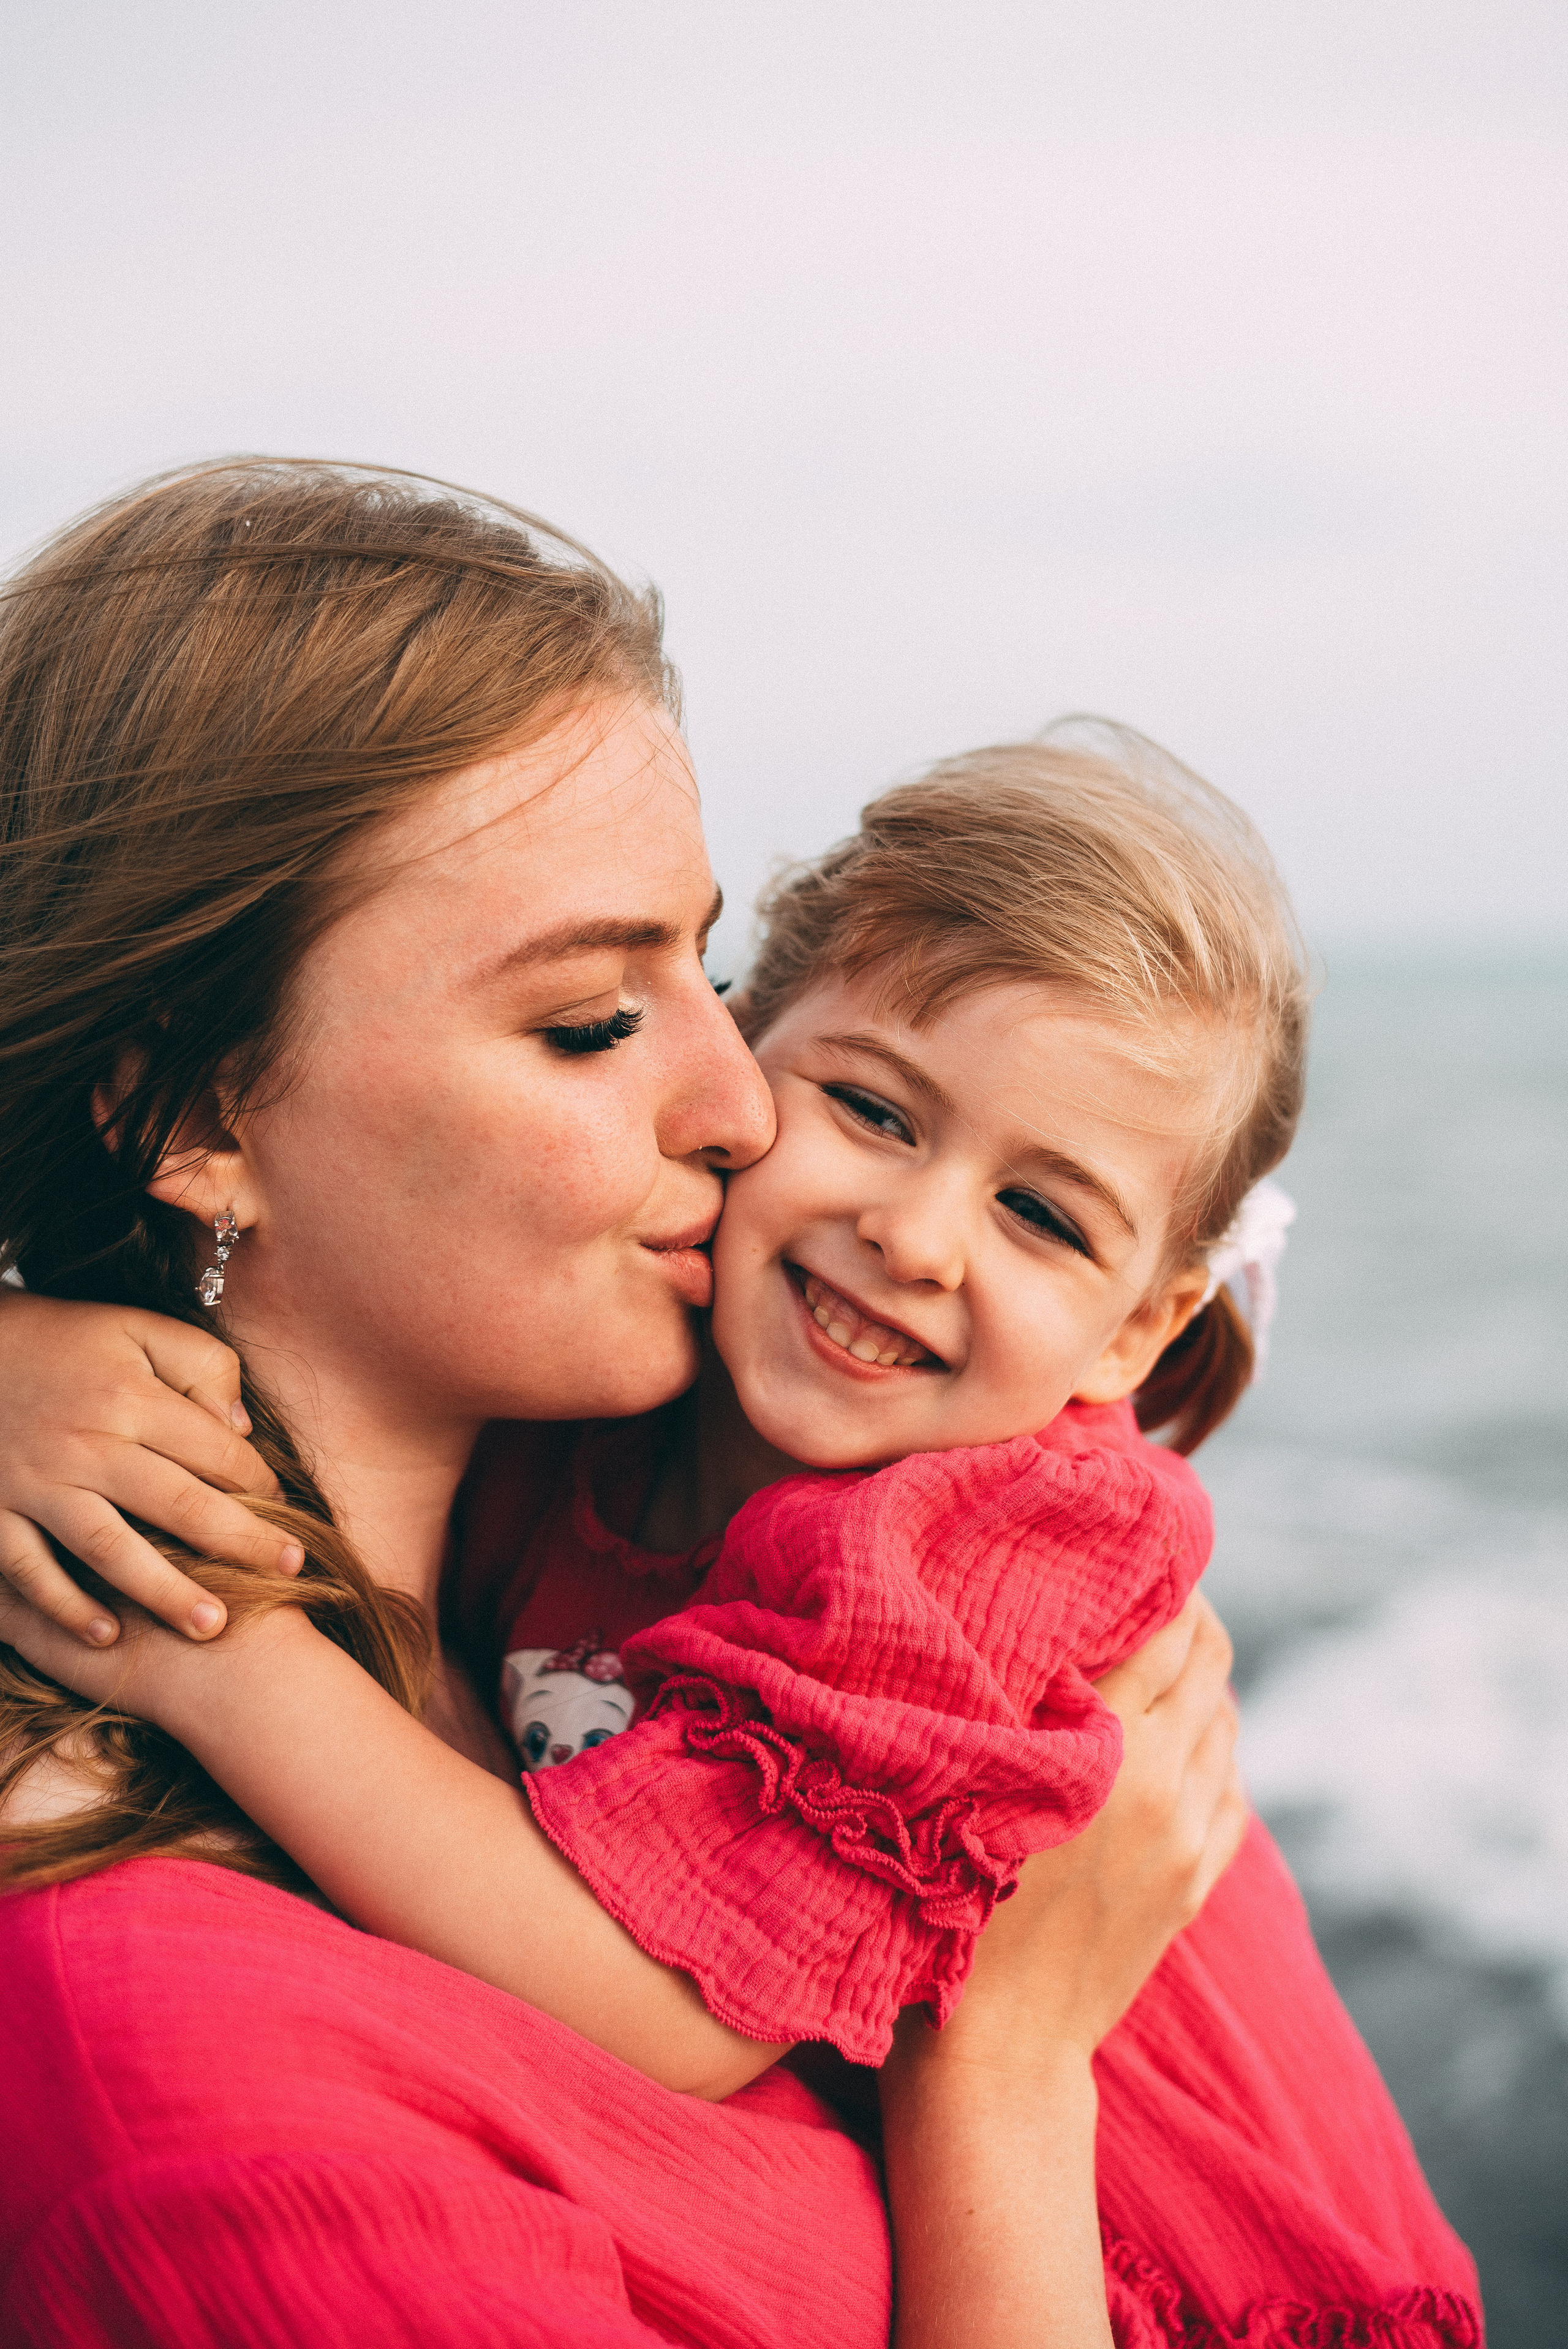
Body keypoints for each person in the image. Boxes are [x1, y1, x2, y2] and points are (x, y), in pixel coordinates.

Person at [7, 728, 1483, 2347]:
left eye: (1042, 1215)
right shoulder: (619, 1369)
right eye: (872, 1108)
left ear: (1139, 1327)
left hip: (1195, 2272)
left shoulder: (990, 1537)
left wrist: (216, 1656)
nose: (914, 1236)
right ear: (739, 1064)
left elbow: (674, 2006)